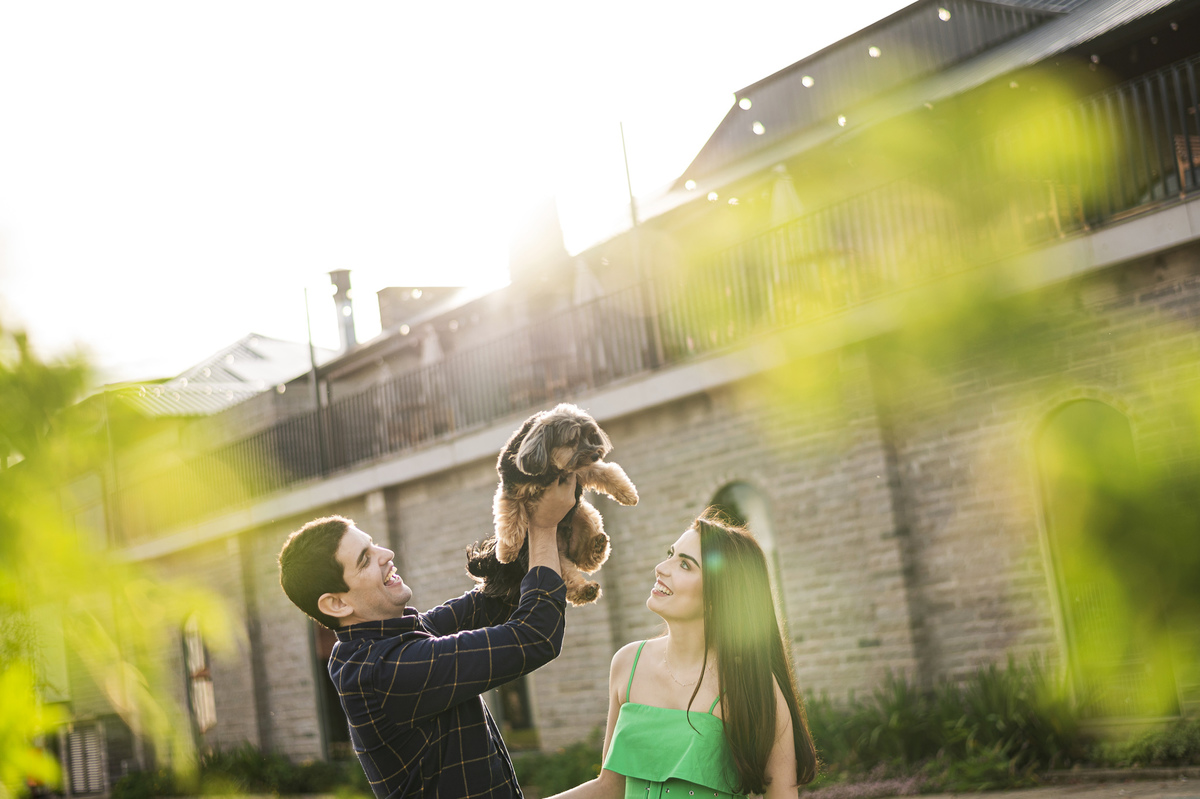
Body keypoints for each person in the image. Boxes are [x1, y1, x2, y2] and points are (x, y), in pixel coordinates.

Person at [277, 475, 577, 799]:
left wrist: (535, 506)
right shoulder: (384, 672)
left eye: (374, 542)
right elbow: (533, 638)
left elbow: (493, 598)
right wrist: (545, 527)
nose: (387, 553)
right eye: (365, 559)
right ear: (337, 603)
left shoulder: (399, 639)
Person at [551, 510, 818, 799]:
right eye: (670, 554)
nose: (661, 568)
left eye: (685, 565)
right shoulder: (628, 663)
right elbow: (610, 787)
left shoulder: (754, 685)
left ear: (720, 596)